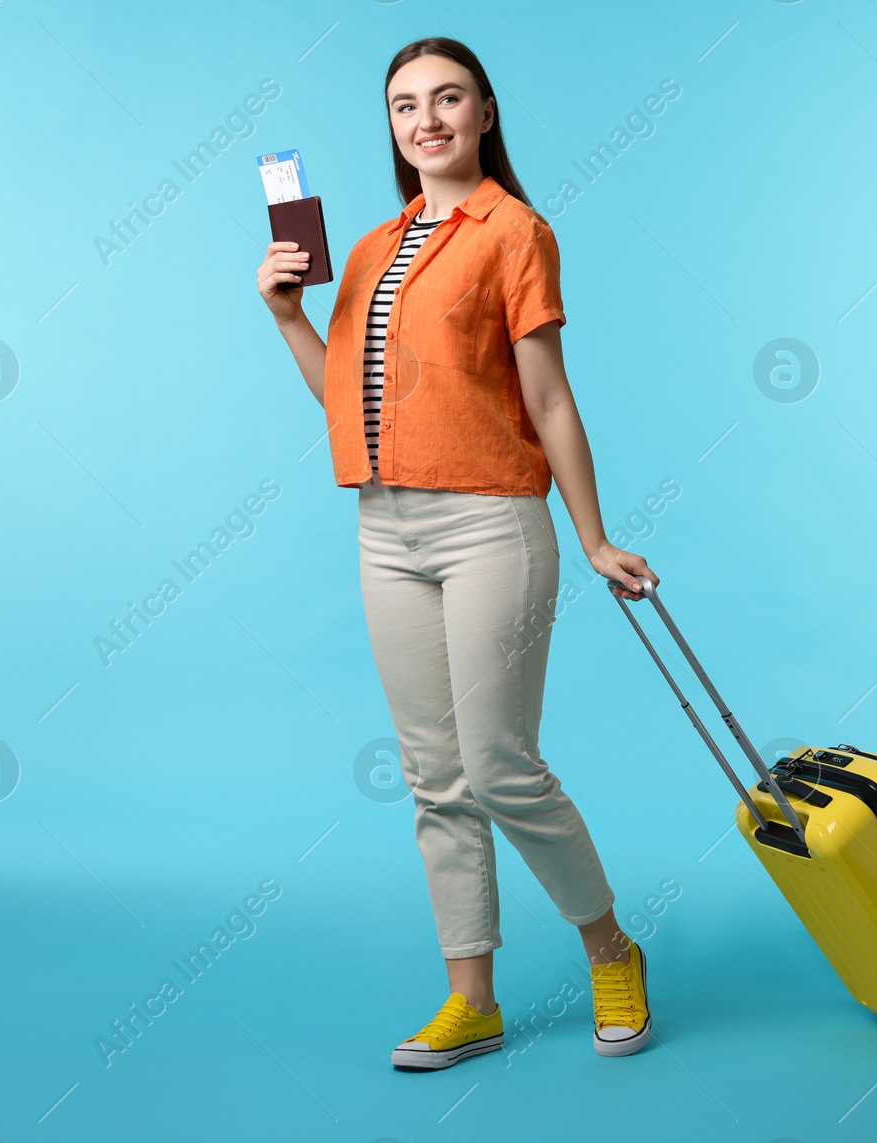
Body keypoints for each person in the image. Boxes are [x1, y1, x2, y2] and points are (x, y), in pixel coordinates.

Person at [256, 36, 658, 1070]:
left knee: (499, 766)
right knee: (435, 777)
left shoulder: (514, 232)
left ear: (483, 113)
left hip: (490, 523)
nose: (425, 119)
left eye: (446, 99)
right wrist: (288, 317)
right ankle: (470, 997)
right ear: (390, 127)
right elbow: (341, 400)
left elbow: (550, 396)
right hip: (383, 529)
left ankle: (610, 949)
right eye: (404, 106)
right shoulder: (374, 247)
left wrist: (594, 535)